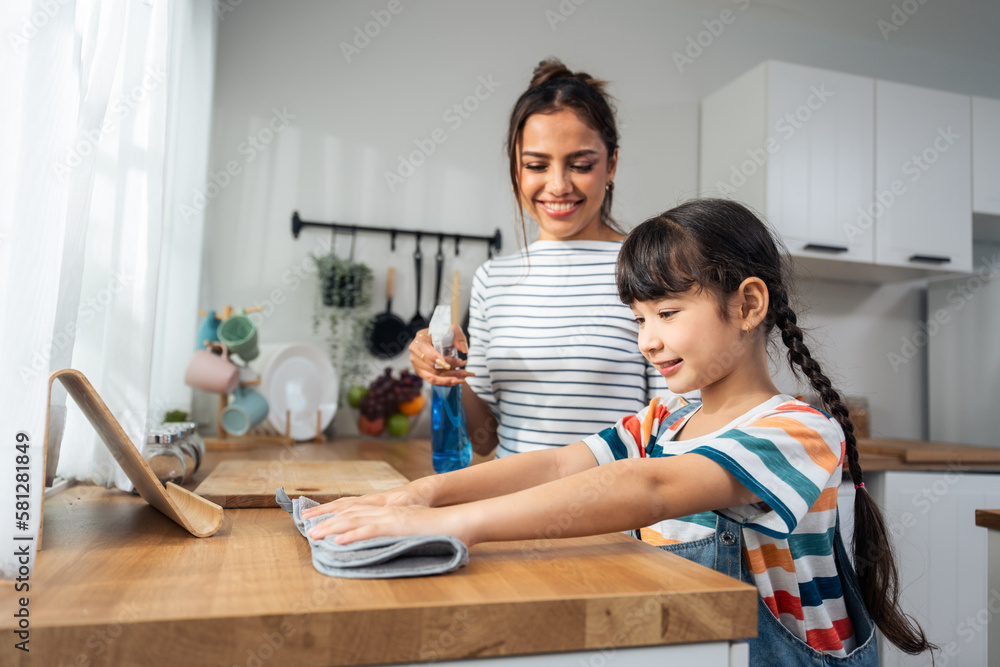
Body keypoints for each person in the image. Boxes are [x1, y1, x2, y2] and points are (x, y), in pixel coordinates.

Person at [304, 198, 934, 664]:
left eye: (666, 313)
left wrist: (443, 527)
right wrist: (422, 496)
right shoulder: (668, 418)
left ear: (747, 305)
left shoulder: (799, 430)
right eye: (638, 319)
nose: (648, 340)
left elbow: (652, 485)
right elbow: (557, 465)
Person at [407, 58, 674, 458]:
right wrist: (445, 372)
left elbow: (671, 427)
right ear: (516, 168)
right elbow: (486, 439)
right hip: (509, 512)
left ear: (612, 164)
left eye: (581, 165)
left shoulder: (648, 265)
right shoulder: (492, 279)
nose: (558, 185)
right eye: (536, 165)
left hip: (611, 516)